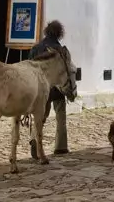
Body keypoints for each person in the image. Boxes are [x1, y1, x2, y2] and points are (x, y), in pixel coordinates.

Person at [28, 20, 69, 157]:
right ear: (59, 34)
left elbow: (30, 68)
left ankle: (34, 139)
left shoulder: (36, 48)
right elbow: (65, 71)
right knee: (60, 116)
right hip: (57, 89)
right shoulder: (60, 50)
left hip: (40, 88)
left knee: (40, 117)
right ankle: (61, 146)